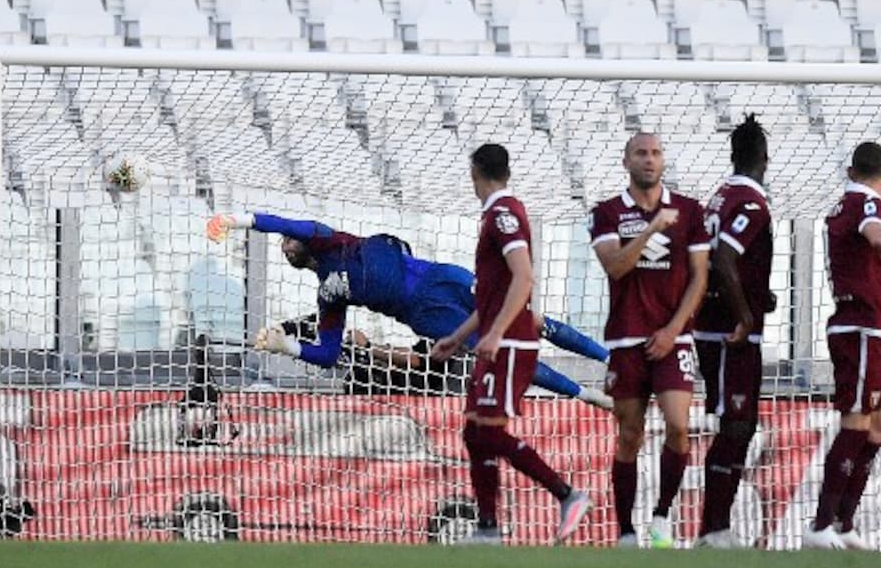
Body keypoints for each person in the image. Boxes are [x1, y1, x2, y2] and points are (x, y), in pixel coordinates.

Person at [205, 208, 612, 409]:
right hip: (424, 313)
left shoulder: (332, 240)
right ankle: (593, 396)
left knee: (527, 319)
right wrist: (287, 348)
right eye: (281, 246)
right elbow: (329, 355)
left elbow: (288, 224)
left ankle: (611, 357)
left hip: (440, 277)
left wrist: (237, 221)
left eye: (286, 239)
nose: (285, 243)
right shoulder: (329, 296)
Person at [431, 143, 592, 545]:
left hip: (512, 342)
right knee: (473, 431)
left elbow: (523, 278)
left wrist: (497, 332)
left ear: (474, 173)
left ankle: (567, 494)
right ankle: (488, 527)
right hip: (498, 336)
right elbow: (494, 292)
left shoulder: (503, 215)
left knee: (489, 429)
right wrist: (458, 336)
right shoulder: (497, 215)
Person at [588, 132, 709, 548]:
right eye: (641, 153)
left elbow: (700, 277)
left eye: (656, 153)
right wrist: (651, 228)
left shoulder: (691, 211)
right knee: (629, 435)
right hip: (626, 339)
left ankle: (661, 516)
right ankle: (624, 530)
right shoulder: (606, 213)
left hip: (672, 338)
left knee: (678, 426)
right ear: (626, 161)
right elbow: (616, 268)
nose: (650, 160)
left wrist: (673, 330)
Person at [802, 142, 881, 550]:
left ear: (851, 170)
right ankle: (819, 526)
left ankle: (845, 523)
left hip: (874, 325)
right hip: (860, 327)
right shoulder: (866, 205)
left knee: (880, 426)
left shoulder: (846, 206)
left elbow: (875, 274)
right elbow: (880, 240)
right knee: (856, 421)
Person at [693, 114, 774, 549]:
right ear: (765, 158)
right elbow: (724, 258)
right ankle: (715, 528)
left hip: (713, 324)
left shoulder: (719, 196)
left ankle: (714, 527)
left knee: (737, 424)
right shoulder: (750, 202)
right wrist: (745, 314)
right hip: (729, 333)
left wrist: (761, 296)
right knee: (738, 425)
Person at [282, 314, 460, 396]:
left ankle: (309, 338)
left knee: (361, 372)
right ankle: (310, 336)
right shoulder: (443, 332)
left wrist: (368, 346)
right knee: (358, 361)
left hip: (412, 392)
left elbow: (415, 359)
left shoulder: (448, 334)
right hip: (406, 384)